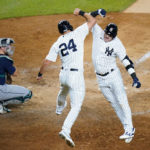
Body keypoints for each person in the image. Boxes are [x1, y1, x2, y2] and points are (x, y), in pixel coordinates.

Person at [37, 8, 97, 147]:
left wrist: (40, 74)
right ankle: (65, 130)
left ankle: (59, 108)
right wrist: (81, 12)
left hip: (63, 75)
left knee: (63, 90)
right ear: (69, 27)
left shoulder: (57, 42)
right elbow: (92, 20)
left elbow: (46, 62)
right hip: (75, 76)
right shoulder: (78, 33)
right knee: (76, 106)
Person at [90, 9, 141, 143]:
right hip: (100, 79)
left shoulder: (117, 44)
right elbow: (89, 17)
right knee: (114, 103)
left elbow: (125, 61)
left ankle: (130, 129)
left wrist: (134, 78)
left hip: (113, 76)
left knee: (122, 101)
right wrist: (97, 11)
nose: (107, 36)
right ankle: (128, 129)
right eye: (107, 33)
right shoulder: (98, 32)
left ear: (114, 36)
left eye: (110, 35)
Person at [0, 38, 32, 114]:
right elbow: (15, 73)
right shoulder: (5, 59)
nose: (10, 47)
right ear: (2, 47)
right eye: (8, 46)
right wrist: (10, 63)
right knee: (27, 94)